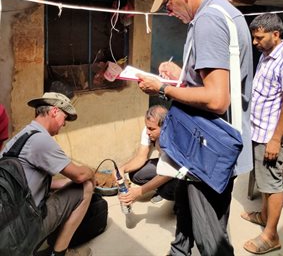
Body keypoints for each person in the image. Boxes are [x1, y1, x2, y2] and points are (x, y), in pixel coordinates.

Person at [137, 0, 253, 256]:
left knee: (212, 243)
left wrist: (161, 87)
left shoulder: (208, 21)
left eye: (168, 6)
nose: (170, 14)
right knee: (185, 227)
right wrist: (182, 76)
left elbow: (216, 98)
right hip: (208, 147)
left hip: (207, 149)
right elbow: (220, 83)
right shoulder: (228, 13)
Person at [1, 92, 95, 256]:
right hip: (26, 228)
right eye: (64, 118)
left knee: (66, 185)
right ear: (54, 111)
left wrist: (63, 183)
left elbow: (24, 183)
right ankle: (60, 253)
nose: (64, 124)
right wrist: (91, 172)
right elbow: (80, 175)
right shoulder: (41, 141)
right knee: (86, 186)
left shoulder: (19, 138)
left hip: (9, 225)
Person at [241, 13, 283, 254]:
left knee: (272, 184)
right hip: (258, 130)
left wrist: (275, 139)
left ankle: (271, 235)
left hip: (269, 135)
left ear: (276, 34)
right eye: (254, 37)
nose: (255, 42)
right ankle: (263, 216)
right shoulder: (266, 54)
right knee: (263, 179)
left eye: (259, 37)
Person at [118, 105, 177, 205]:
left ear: (164, 126)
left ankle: (181, 201)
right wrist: (122, 169)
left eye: (152, 129)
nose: (148, 132)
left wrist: (140, 191)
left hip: (180, 172)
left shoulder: (173, 137)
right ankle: (159, 186)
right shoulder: (148, 130)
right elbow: (141, 157)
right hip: (165, 165)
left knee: (166, 190)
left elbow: (169, 172)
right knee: (135, 174)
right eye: (147, 127)